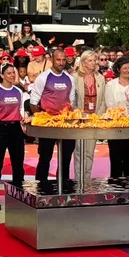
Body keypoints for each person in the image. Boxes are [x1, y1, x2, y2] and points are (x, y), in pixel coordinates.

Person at [0, 63, 30, 211]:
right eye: (9, 73)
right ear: (2, 75)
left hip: (15, 129)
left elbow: (22, 111)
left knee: (18, 165)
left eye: (13, 72)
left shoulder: (18, 92)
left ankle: (19, 198)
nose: (12, 75)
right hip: (0, 129)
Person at [30, 48, 75, 183]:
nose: (61, 63)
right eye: (58, 60)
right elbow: (33, 102)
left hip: (65, 124)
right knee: (45, 158)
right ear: (51, 59)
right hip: (48, 125)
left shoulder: (70, 79)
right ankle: (40, 188)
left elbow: (71, 103)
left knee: (66, 159)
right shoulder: (43, 78)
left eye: (63, 60)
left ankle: (63, 188)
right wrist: (43, 119)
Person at [71, 49, 107, 180]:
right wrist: (78, 114)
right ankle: (78, 179)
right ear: (84, 63)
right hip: (80, 118)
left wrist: (98, 116)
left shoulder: (100, 78)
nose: (93, 63)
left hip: (94, 118)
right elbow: (72, 99)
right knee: (79, 152)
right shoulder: (75, 78)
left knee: (90, 152)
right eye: (90, 61)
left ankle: (86, 180)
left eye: (94, 60)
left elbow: (103, 99)